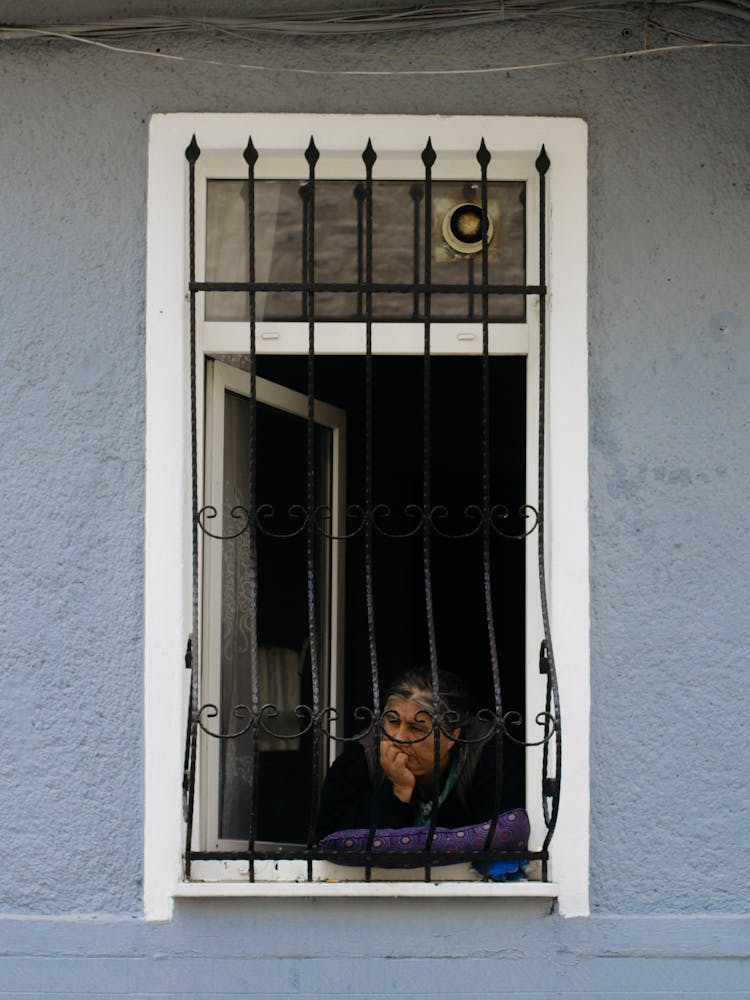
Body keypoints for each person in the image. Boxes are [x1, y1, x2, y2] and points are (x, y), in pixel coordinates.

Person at [315, 669, 523, 840]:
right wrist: (397, 791)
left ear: (453, 736)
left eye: (416, 727)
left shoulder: (488, 755)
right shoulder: (363, 755)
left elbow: (500, 838)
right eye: (393, 722)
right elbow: (329, 838)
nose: (399, 737)